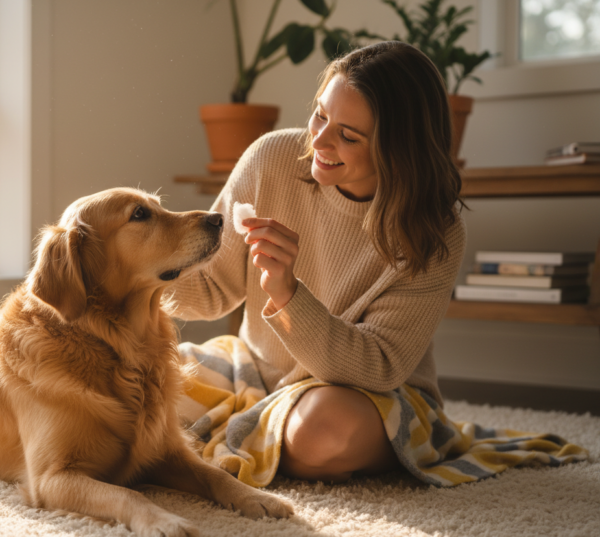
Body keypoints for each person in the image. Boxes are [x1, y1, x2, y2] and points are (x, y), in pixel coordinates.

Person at [167, 41, 586, 487]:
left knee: (321, 433)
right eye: (320, 116)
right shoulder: (271, 159)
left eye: (348, 136)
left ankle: (220, 445)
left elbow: (379, 366)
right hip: (250, 371)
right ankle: (246, 439)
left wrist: (288, 293)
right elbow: (210, 288)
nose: (320, 141)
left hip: (368, 394)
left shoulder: (433, 231)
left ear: (397, 149)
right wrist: (127, 265)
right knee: (133, 390)